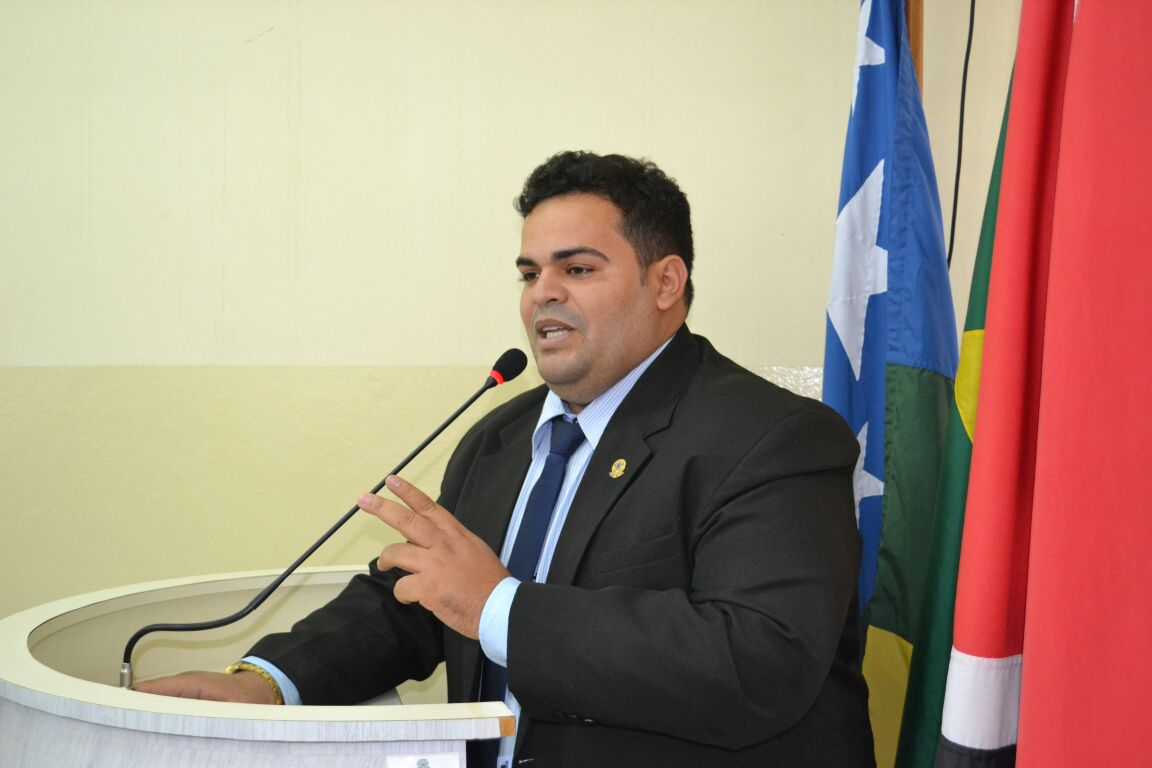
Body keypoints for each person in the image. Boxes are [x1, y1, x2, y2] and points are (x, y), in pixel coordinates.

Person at [137, 151, 875, 766]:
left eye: (576, 270)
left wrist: (498, 606)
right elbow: (415, 605)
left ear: (665, 282)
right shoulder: (501, 435)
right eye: (529, 273)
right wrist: (269, 682)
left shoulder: (774, 438)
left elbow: (756, 662)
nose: (541, 295)